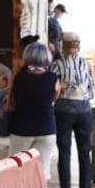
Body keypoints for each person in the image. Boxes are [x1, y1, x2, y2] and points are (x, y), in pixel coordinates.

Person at [51, 30, 95, 188]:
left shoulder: (57, 65)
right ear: (78, 47)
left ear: (63, 46)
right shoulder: (87, 65)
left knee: (64, 152)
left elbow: (52, 89)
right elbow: (91, 91)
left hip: (63, 112)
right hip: (84, 111)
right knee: (85, 152)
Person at [7, 41, 60, 180]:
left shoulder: (19, 77)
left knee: (17, 168)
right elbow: (54, 98)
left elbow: (11, 101)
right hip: (47, 128)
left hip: (22, 129)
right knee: (42, 171)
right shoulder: (53, 78)